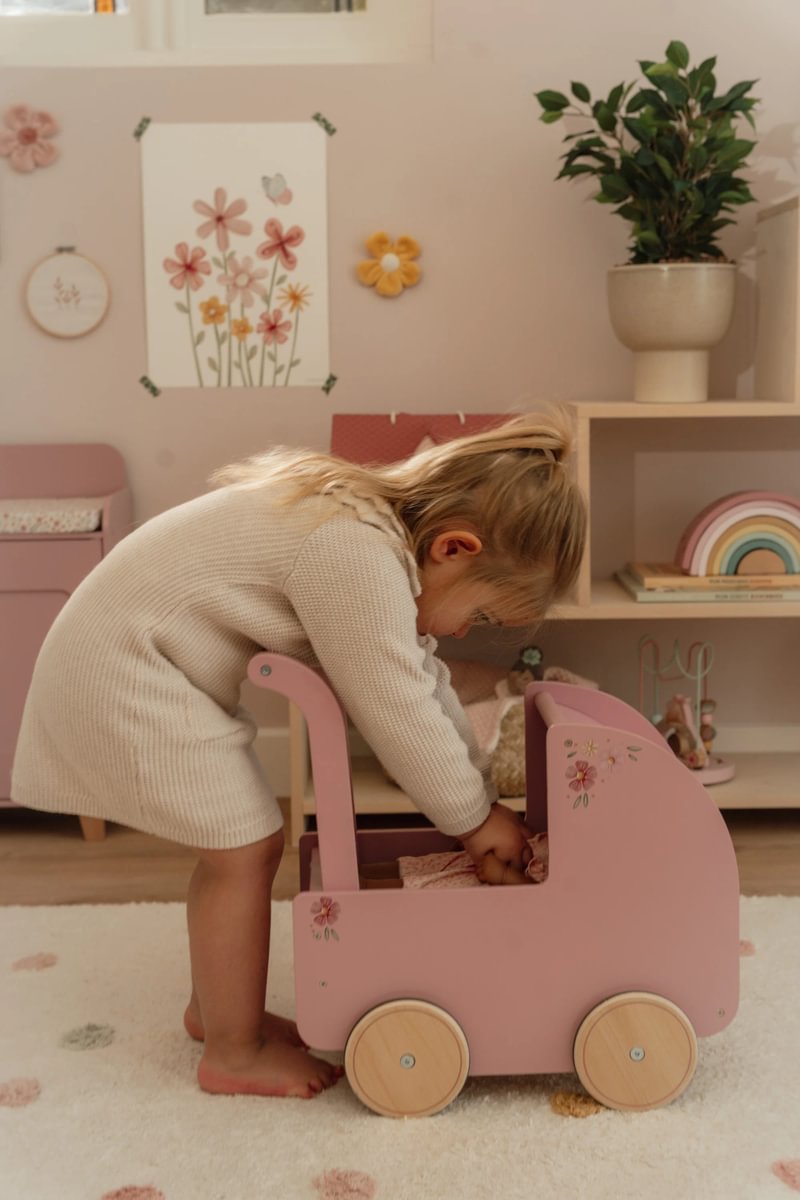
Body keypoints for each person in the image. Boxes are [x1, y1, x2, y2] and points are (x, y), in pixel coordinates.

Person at [11, 407, 586, 1100]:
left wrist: (480, 800)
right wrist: (472, 818)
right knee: (244, 848)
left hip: (137, 664)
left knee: (239, 846)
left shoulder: (362, 533)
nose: (467, 631)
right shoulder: (351, 552)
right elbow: (396, 707)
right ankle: (232, 1052)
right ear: (453, 549)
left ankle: (217, 1012)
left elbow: (422, 679)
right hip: (123, 671)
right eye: (482, 614)